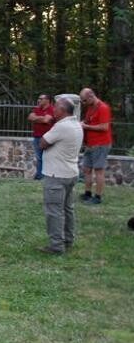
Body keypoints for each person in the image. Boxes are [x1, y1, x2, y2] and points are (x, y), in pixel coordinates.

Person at [37, 98, 83, 255]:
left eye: (55, 108)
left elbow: (43, 143)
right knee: (67, 208)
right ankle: (68, 239)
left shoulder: (61, 126)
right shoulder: (76, 124)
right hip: (70, 172)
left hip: (56, 174)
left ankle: (56, 245)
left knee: (54, 211)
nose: (53, 110)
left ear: (63, 111)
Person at [79, 88, 112, 205]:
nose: (83, 103)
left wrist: (86, 127)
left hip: (101, 144)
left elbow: (104, 127)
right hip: (90, 144)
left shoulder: (103, 108)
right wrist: (82, 123)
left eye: (84, 100)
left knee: (98, 170)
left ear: (91, 96)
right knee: (87, 169)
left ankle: (97, 197)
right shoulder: (90, 107)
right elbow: (89, 121)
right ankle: (87, 193)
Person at [28, 94, 54, 180]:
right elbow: (30, 117)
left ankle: (46, 176)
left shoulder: (51, 109)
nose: (38, 100)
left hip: (47, 137)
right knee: (39, 157)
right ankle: (39, 175)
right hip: (37, 136)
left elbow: (46, 120)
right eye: (38, 98)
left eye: (41, 99)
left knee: (47, 157)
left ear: (47, 100)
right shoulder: (37, 108)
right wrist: (41, 118)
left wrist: (36, 118)